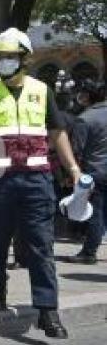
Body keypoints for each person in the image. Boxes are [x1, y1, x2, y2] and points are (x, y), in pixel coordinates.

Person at [0, 27, 82, 338]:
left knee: (41, 244)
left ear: (24, 59)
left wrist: (73, 168)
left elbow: (57, 132)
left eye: (9, 56)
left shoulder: (42, 91)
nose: (3, 61)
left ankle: (47, 311)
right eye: (0, 57)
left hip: (36, 178)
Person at [64, 79, 107, 264]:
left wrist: (70, 175)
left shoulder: (85, 119)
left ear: (88, 96)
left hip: (96, 172)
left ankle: (89, 252)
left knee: (96, 213)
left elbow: (76, 151)